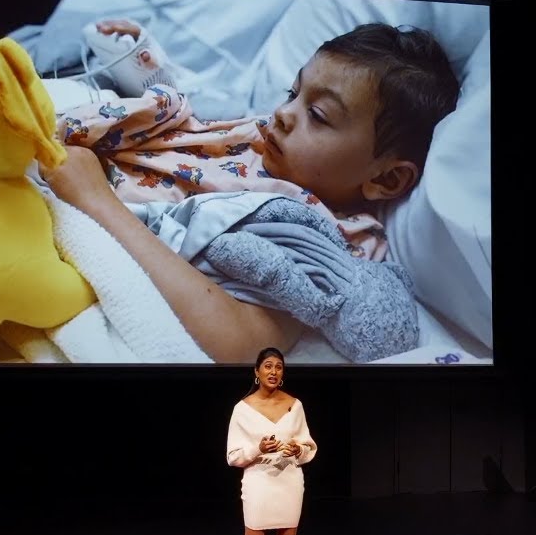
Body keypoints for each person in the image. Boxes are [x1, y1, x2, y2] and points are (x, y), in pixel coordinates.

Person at [38, 20, 460, 364]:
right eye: (292, 93)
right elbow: (195, 135)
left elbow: (241, 343)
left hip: (79, 202)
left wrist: (96, 202)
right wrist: (150, 72)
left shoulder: (323, 237)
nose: (281, 113)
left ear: (385, 180)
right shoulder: (271, 142)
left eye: (317, 114)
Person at [224, 347, 317, 535]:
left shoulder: (295, 405)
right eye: (268, 366)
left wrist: (297, 448)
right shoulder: (243, 409)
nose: (274, 371)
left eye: (278, 366)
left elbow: (309, 446)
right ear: (256, 372)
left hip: (289, 478)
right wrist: (257, 449)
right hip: (259, 479)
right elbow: (233, 456)